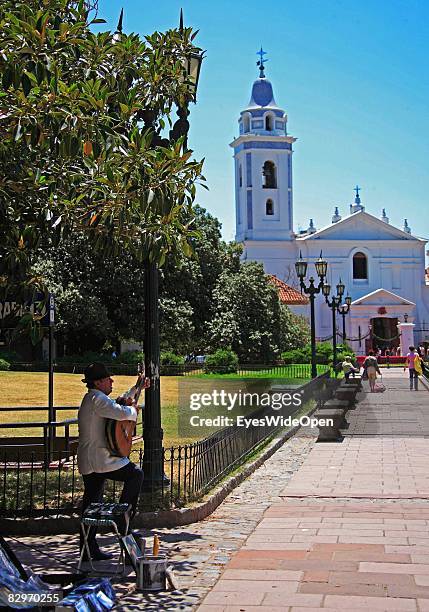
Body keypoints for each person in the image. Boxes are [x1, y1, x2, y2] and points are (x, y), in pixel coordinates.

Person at [78, 362, 148, 560]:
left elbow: (120, 401)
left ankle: (88, 549)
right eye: (108, 379)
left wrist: (137, 388)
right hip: (100, 460)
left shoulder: (95, 398)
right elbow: (122, 411)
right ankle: (123, 518)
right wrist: (134, 410)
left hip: (91, 460)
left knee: (91, 505)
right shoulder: (97, 400)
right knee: (135, 474)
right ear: (99, 382)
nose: (112, 381)